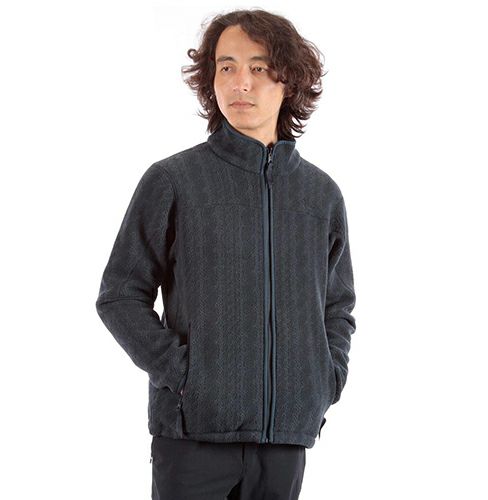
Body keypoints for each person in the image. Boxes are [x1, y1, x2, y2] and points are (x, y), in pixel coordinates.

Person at [95, 8, 356, 500]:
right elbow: (120, 296)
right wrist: (185, 376)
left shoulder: (320, 196)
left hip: (285, 439)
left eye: (258, 67)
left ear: (289, 80)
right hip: (193, 437)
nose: (241, 83)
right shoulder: (174, 180)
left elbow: (337, 307)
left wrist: (324, 381)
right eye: (226, 67)